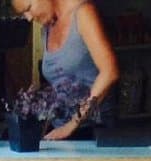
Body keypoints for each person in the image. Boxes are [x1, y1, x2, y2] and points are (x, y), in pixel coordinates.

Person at [11, 0, 120, 140]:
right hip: (61, 133)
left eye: (28, 8)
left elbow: (110, 72)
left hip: (95, 132)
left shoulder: (83, 14)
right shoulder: (46, 28)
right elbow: (59, 84)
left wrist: (71, 125)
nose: (29, 18)